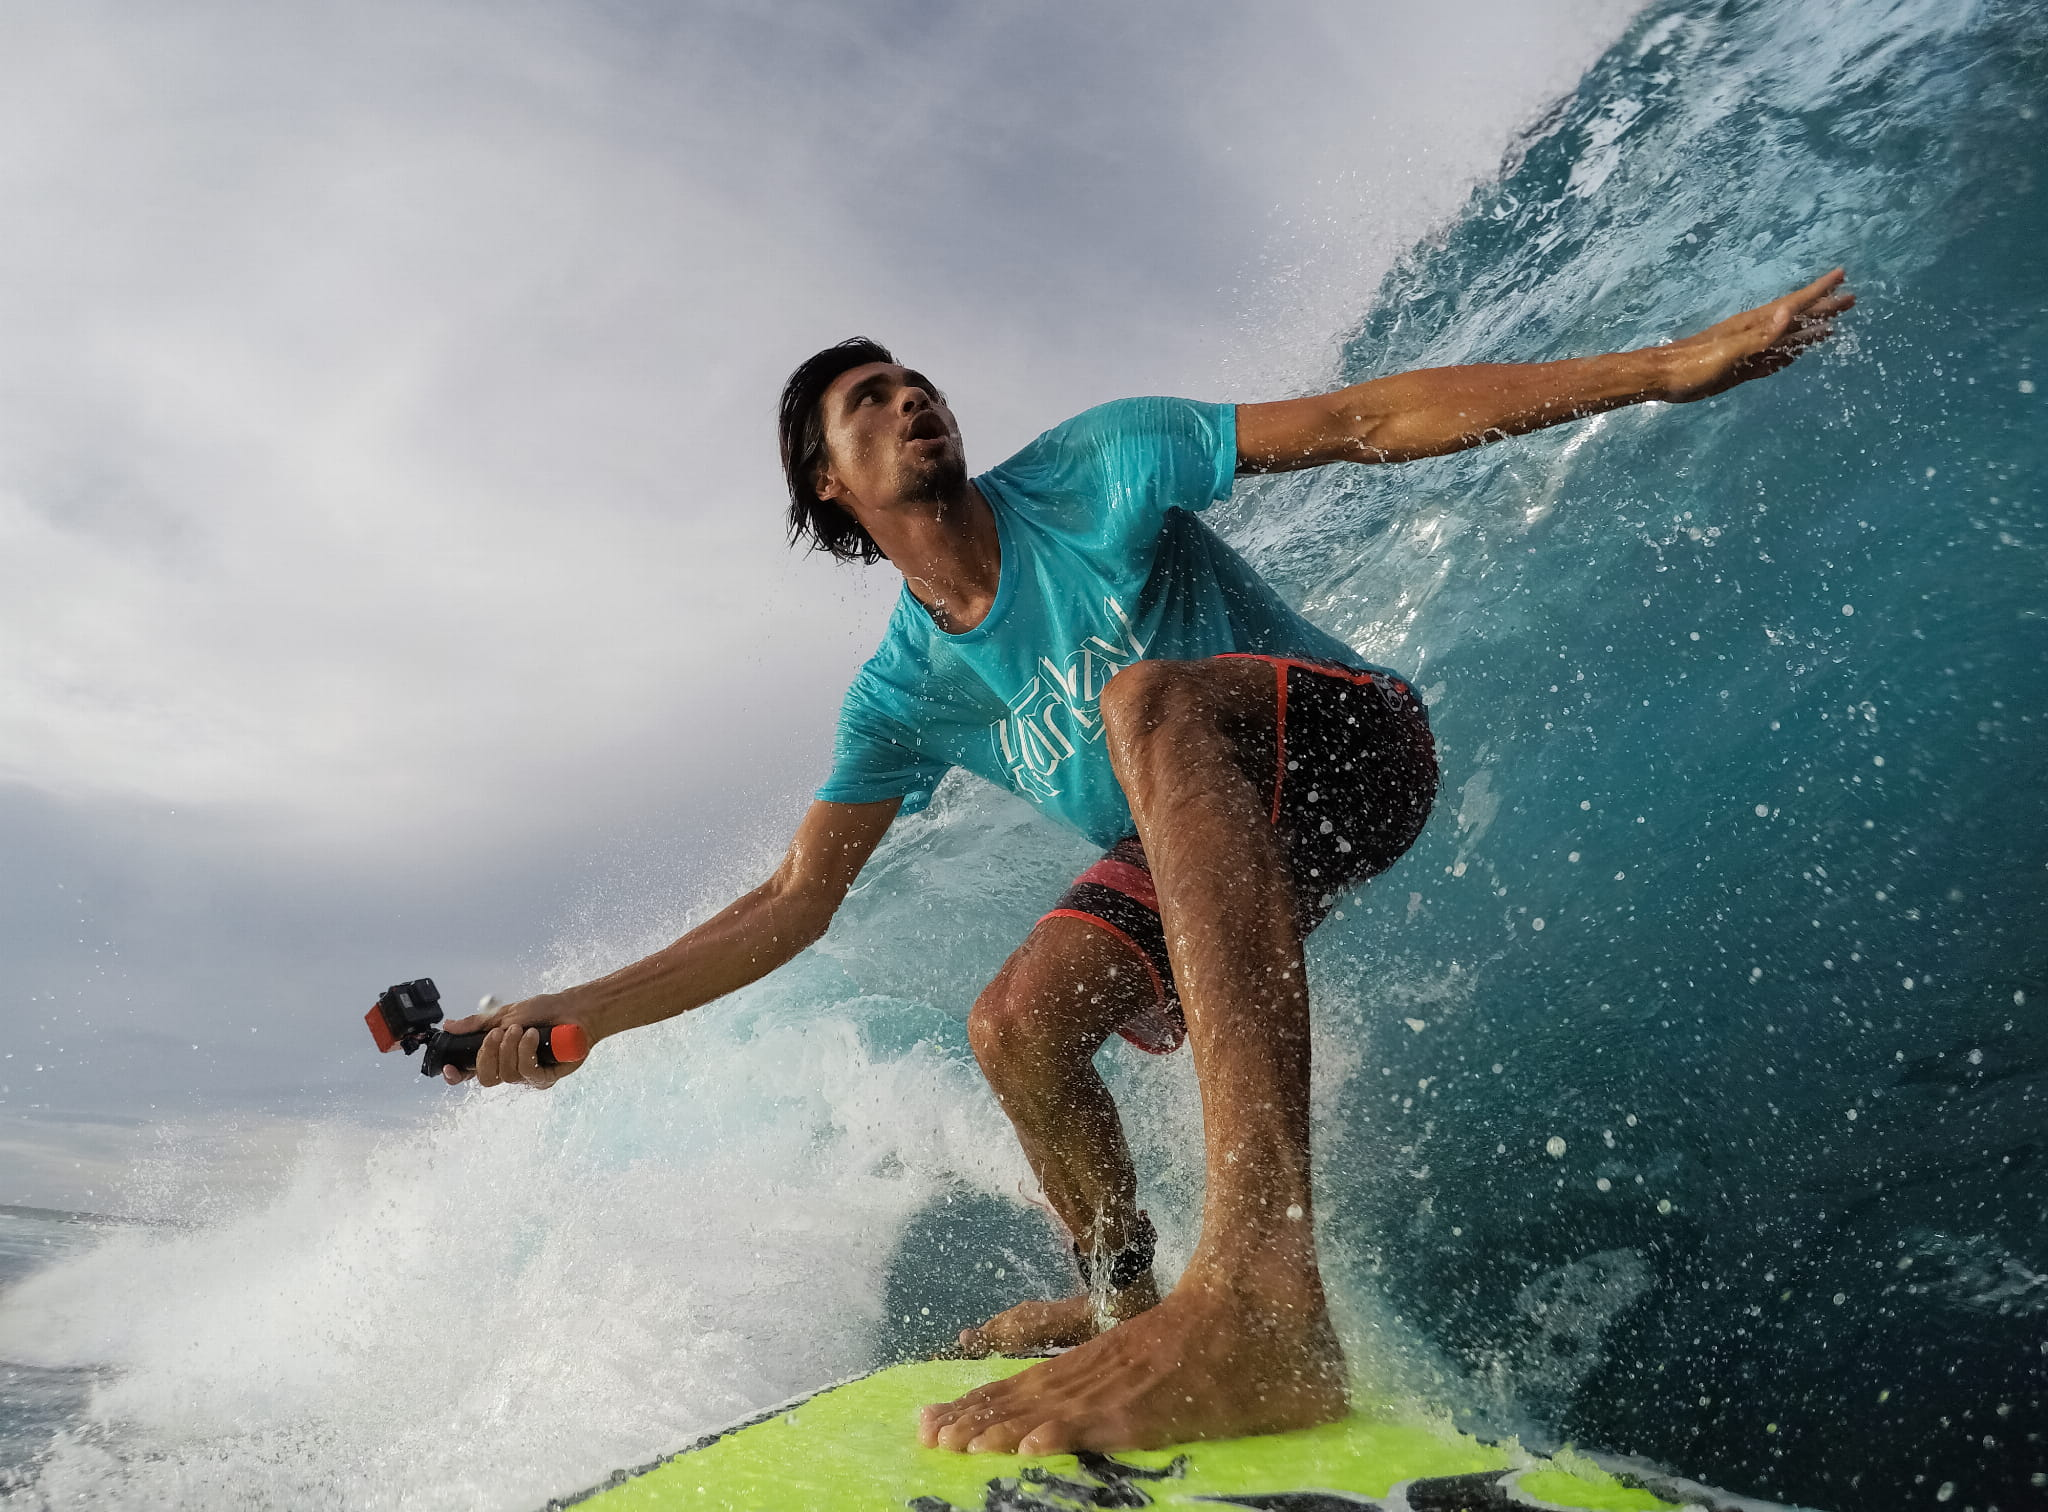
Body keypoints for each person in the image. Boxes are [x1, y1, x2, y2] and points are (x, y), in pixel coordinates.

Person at [441, 268, 1853, 1456]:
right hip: (1210, 843)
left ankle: (1259, 1298)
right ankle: (1124, 1306)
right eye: (867, 400)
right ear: (827, 479)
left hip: (1352, 753)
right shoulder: (903, 691)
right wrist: (572, 1020)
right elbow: (794, 900)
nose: (910, 396)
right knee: (1015, 1027)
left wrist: (1664, 366)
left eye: (915, 379)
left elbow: (1364, 420)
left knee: (1146, 704)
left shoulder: (1096, 464)